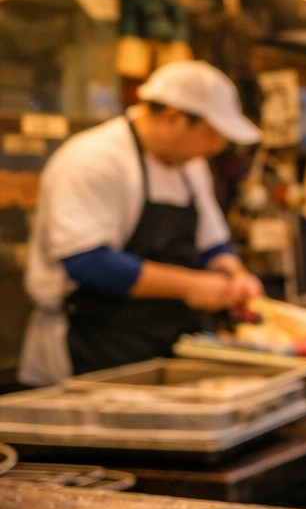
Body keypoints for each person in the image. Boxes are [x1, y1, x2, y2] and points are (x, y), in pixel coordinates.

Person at [19, 60, 264, 384]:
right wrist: (191, 286)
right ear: (173, 117)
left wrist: (234, 273)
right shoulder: (93, 160)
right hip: (97, 345)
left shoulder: (190, 167)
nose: (215, 148)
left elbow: (210, 242)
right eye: (210, 135)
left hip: (173, 342)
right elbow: (87, 262)